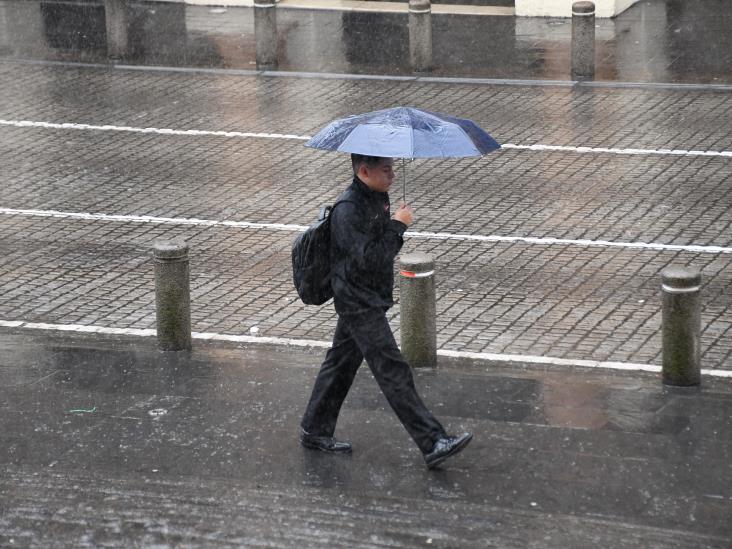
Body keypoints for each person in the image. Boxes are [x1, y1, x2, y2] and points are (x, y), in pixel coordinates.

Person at [300, 154, 472, 469]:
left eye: (393, 168)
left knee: (340, 364)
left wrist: (392, 222)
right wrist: (397, 227)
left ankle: (315, 429)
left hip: (366, 297)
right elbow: (367, 261)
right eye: (386, 169)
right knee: (392, 370)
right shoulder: (349, 210)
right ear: (364, 171)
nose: (392, 174)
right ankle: (433, 441)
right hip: (357, 301)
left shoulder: (376, 197)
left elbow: (374, 251)